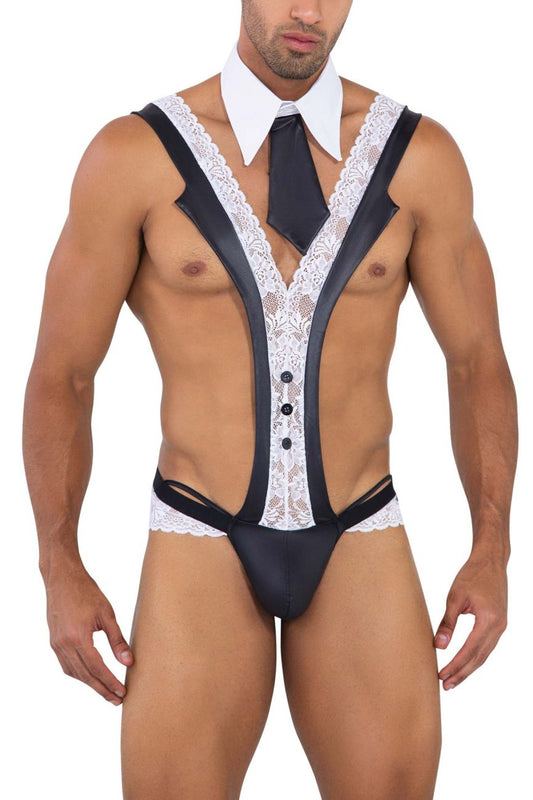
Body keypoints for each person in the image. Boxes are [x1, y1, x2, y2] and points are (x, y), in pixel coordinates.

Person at [22, 1, 517, 797]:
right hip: (201, 531)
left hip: (359, 527)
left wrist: (491, 547)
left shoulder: (419, 156)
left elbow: (475, 362)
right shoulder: (134, 156)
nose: (307, 10)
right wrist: (59, 565)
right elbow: (63, 374)